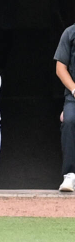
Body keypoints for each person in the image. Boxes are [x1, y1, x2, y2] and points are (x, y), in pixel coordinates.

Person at [53, 22, 75, 191]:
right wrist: (74, 89)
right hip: (73, 95)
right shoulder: (70, 33)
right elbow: (61, 69)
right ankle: (70, 175)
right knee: (69, 121)